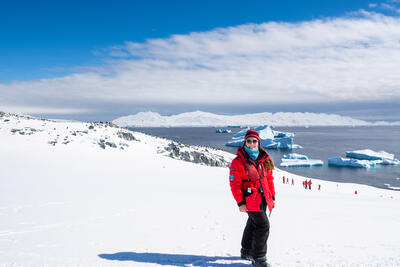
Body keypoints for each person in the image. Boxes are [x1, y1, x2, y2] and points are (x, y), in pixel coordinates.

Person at [229, 129, 275, 267]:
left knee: (253, 223)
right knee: (263, 225)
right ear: (245, 142)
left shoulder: (263, 158)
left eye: (254, 141)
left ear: (258, 142)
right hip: (250, 199)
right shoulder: (238, 162)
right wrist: (240, 202)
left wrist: (272, 196)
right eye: (249, 141)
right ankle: (259, 257)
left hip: (263, 198)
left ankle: (246, 251)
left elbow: (269, 179)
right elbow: (235, 184)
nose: (251, 143)